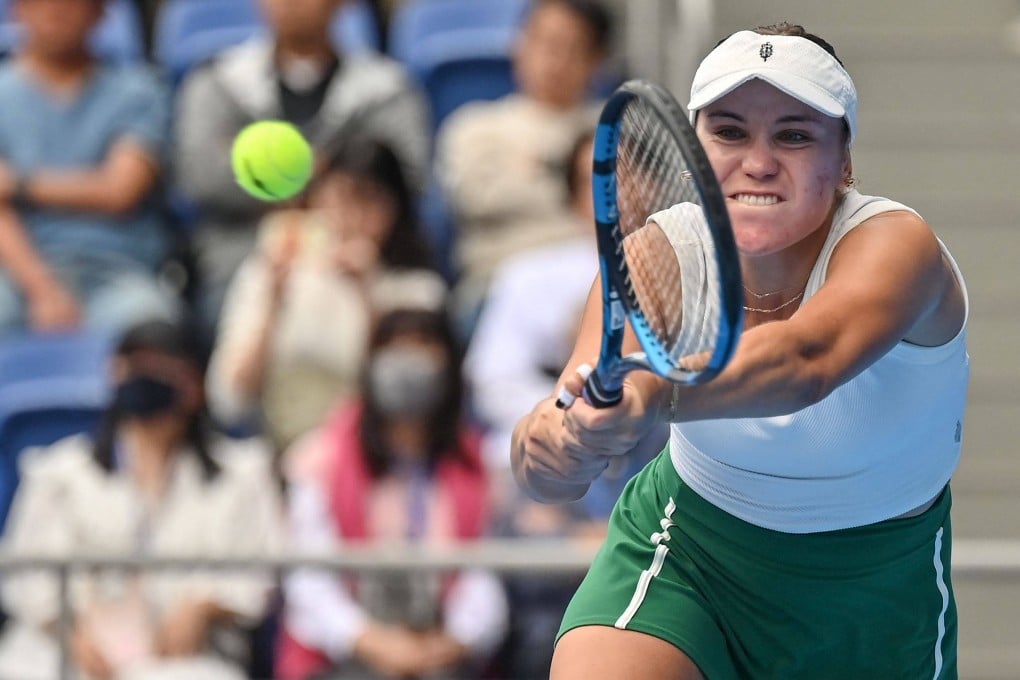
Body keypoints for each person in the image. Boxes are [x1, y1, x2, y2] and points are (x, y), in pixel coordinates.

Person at [511, 23, 970, 680]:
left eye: (794, 134)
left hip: (876, 586)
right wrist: (554, 445)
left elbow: (804, 362)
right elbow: (547, 466)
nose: (757, 161)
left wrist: (653, 394)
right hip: (692, 551)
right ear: (693, 150)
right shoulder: (657, 254)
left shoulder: (898, 246)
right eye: (729, 132)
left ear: (844, 161)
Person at [0, 318, 283, 680]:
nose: (148, 377)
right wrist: (72, 632)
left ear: (194, 385)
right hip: (65, 649)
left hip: (185, 656)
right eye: (136, 366)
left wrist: (205, 607)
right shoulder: (58, 472)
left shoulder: (242, 475)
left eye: (164, 368)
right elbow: (28, 579)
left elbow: (257, 577)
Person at [275, 307, 509, 680]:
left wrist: (452, 641)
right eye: (393, 347)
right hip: (346, 656)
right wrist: (370, 641)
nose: (407, 360)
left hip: (441, 653)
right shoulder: (321, 458)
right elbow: (309, 583)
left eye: (422, 346)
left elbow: (485, 578)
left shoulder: (476, 461)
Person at [173, 0, 430, 336]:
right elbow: (202, 178)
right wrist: (315, 179)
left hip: (362, 254)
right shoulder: (218, 81)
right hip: (241, 255)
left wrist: (323, 212)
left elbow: (408, 176)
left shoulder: (386, 88)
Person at [205, 137, 446, 453]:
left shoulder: (419, 289)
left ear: (396, 209)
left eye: (366, 201)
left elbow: (412, 396)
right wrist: (273, 301)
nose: (348, 218)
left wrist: (367, 293)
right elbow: (229, 398)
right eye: (335, 199)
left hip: (378, 457)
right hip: (278, 448)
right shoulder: (272, 270)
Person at [0, 0, 179, 338]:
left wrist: (18, 183)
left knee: (157, 341)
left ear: (100, 13)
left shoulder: (138, 90)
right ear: (17, 11)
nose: (56, 11)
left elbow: (119, 191)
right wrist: (43, 288)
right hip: (14, 275)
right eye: (39, 3)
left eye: (73, 3)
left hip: (118, 272)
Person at [434, 0, 612, 333]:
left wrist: (531, 175)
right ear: (520, 44)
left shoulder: (619, 129)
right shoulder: (475, 127)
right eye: (544, 43)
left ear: (596, 61)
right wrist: (579, 191)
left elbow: (638, 210)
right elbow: (475, 199)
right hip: (497, 289)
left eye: (572, 48)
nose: (555, 61)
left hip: (599, 283)